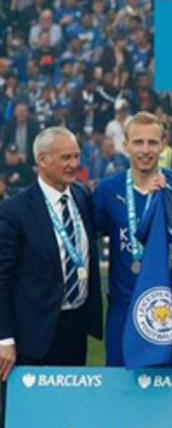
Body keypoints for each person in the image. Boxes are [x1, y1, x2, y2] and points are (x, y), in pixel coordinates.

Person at [0, 127, 102, 372]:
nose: (74, 164)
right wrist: (4, 338)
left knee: (71, 407)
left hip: (75, 329)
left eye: (76, 156)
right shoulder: (15, 211)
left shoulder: (81, 194)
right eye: (66, 158)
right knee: (28, 410)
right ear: (42, 160)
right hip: (33, 335)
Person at [92, 112, 171, 365]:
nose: (145, 150)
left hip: (166, 308)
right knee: (119, 383)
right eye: (138, 142)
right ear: (125, 145)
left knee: (167, 386)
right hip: (122, 308)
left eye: (152, 142)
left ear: (163, 144)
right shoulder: (107, 190)